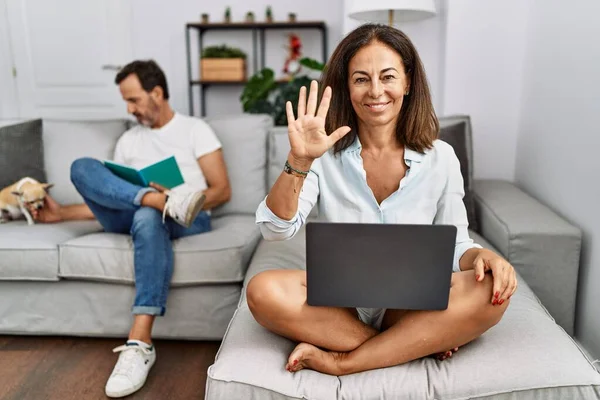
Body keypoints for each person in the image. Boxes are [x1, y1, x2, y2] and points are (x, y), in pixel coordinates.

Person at [246, 24, 517, 376]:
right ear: (347, 87)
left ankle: (346, 361)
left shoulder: (442, 157)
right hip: (338, 304)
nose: (375, 91)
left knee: (491, 292)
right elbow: (275, 229)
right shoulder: (323, 155)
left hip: (409, 303)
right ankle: (408, 342)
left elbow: (456, 245)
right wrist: (299, 162)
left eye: (387, 76)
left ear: (407, 82)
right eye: (361, 79)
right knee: (262, 291)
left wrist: (482, 255)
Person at [31, 60, 231, 397]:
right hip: (145, 209)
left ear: (157, 93)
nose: (129, 108)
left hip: (188, 216)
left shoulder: (195, 129)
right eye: (126, 101)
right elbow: (115, 197)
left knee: (145, 215)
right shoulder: (128, 141)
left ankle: (139, 343)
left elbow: (222, 190)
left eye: (134, 100)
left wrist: (180, 199)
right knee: (83, 168)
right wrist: (60, 213)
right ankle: (156, 201)